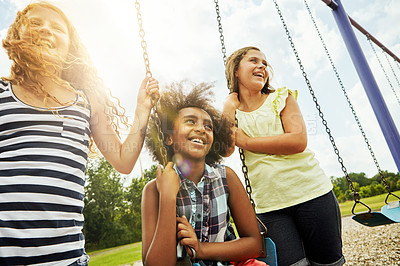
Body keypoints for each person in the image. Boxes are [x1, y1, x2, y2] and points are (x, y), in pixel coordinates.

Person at [0, 1, 158, 265]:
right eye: (36, 23)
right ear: (17, 35)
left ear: (69, 47)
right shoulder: (3, 94)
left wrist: (142, 110)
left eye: (56, 28)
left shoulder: (86, 102)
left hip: (66, 257)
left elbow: (123, 160)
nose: (46, 30)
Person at [222, 46, 345, 266]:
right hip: (270, 205)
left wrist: (248, 142)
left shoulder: (281, 98)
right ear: (236, 71)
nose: (262, 65)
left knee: (328, 263)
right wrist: (227, 108)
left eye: (264, 63)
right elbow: (224, 149)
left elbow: (297, 140)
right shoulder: (233, 112)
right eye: (253, 60)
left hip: (311, 193)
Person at [141, 81, 266, 266]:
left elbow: (255, 244)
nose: (201, 129)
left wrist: (200, 248)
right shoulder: (154, 190)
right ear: (168, 137)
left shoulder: (226, 178)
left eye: (208, 127)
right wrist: (167, 197)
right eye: (190, 121)